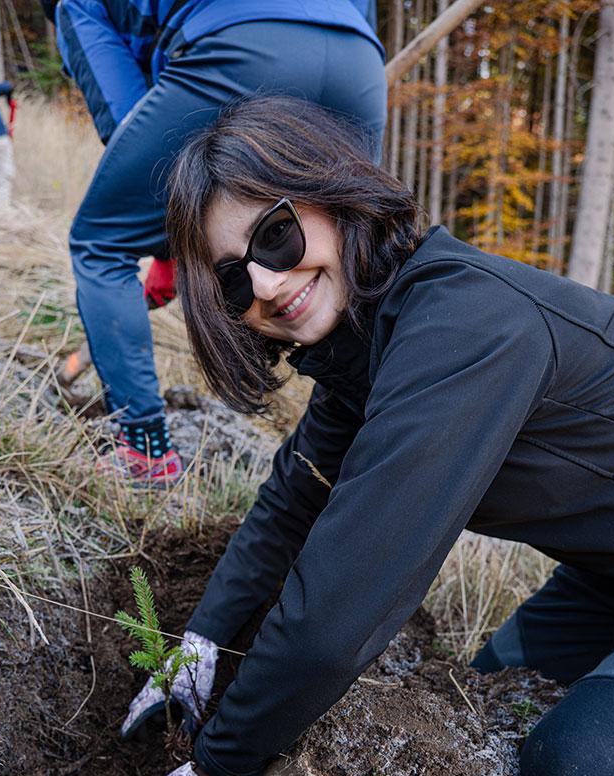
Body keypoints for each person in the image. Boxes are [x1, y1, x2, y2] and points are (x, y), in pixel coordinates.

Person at [118, 95, 614, 776]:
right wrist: (201, 644)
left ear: (333, 194)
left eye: (275, 236)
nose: (261, 285)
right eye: (229, 281)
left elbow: (341, 604)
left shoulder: (462, 326)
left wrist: (215, 767)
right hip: (603, 575)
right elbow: (292, 503)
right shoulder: (366, 350)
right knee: (480, 697)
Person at [43, 0, 386, 486]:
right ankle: (373, 455)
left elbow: (125, 118)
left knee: (101, 243)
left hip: (240, 44)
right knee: (348, 252)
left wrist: (168, 227)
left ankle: (144, 449)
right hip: (359, 57)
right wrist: (175, 247)